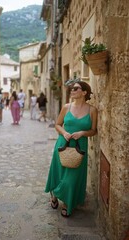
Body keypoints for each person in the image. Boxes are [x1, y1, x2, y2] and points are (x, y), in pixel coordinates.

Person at [45, 80, 98, 217]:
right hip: (63, 144)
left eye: (76, 88)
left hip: (80, 146)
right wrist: (64, 133)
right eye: (71, 88)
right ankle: (55, 194)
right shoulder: (66, 107)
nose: (72, 90)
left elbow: (93, 131)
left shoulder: (92, 110)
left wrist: (82, 133)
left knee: (72, 177)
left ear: (84, 92)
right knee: (60, 173)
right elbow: (57, 124)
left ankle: (67, 202)